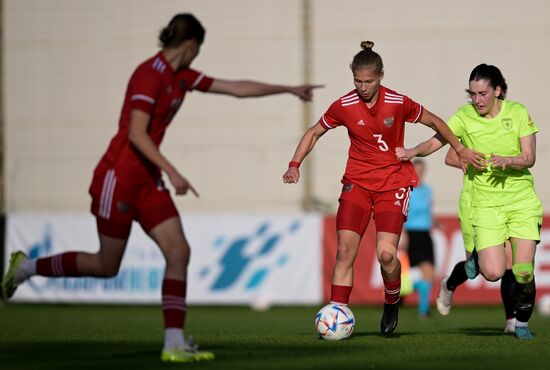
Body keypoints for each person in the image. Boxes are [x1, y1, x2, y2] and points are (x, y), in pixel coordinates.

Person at [1, 13, 322, 363]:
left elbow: (234, 87)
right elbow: (136, 134)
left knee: (178, 252)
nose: (198, 55)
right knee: (106, 265)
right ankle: (25, 269)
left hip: (148, 182)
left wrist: (288, 89)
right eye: (199, 48)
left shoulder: (181, 77)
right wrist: (175, 172)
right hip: (118, 179)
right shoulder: (148, 75)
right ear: (190, 45)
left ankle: (173, 343)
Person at [282, 41, 483, 336]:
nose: (363, 87)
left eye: (369, 81)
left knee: (387, 255)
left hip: (394, 184)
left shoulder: (398, 102)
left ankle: (392, 301)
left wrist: (460, 148)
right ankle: (337, 311)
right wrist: (295, 163)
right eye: (358, 81)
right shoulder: (344, 105)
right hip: (357, 183)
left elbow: (436, 122)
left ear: (381, 77)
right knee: (344, 251)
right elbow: (314, 132)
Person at [396, 63, 542, 339]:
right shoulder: (464, 117)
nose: (477, 100)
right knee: (493, 271)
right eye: (472, 94)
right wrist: (412, 150)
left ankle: (519, 323)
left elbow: (529, 157)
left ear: (498, 90)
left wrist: (508, 161)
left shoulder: (518, 113)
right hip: (484, 205)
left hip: (520, 201)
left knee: (522, 271)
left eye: (483, 94)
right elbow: (437, 142)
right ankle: (456, 280)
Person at [437, 147, 517, 334]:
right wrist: (479, 166)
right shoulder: (469, 124)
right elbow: (449, 158)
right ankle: (449, 284)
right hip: (473, 203)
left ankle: (511, 320)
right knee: (476, 268)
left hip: (503, 201)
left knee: (510, 261)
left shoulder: (510, 124)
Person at [402, 159, 436, 318]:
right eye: (416, 170)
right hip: (412, 233)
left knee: (429, 272)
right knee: (424, 270)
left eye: (421, 170)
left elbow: (428, 211)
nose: (419, 173)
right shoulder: (406, 190)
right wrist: (402, 233)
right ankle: (420, 306)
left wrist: (435, 223)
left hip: (425, 234)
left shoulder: (427, 190)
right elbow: (401, 213)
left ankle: (422, 308)